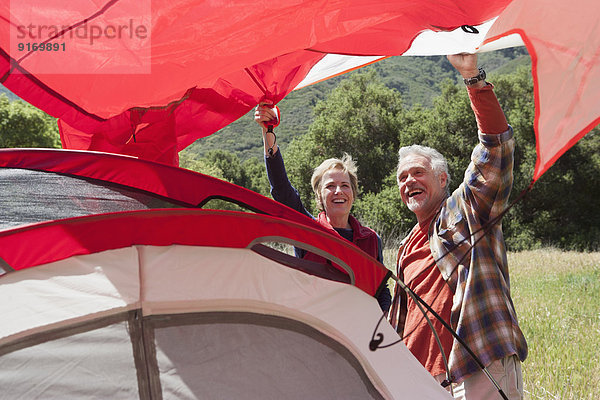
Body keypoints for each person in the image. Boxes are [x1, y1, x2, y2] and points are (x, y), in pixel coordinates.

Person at [388, 53, 528, 399]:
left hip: (476, 367)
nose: (409, 181)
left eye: (418, 172)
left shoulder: (465, 209)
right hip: (421, 383)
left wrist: (472, 78)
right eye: (402, 177)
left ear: (442, 178)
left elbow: (496, 152)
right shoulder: (405, 246)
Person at [254, 105, 391, 313]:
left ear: (353, 193)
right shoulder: (308, 231)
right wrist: (268, 132)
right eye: (330, 186)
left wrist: (381, 328)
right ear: (319, 195)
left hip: (362, 336)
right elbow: (282, 191)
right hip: (320, 333)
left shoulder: (371, 239)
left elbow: (381, 291)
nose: (338, 191)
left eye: (345, 185)